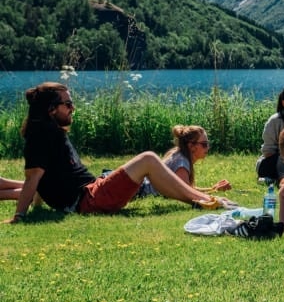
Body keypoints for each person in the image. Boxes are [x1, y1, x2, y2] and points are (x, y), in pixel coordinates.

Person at [4, 82, 229, 224]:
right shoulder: (43, 136)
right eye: (68, 104)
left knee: (148, 161)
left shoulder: (49, 133)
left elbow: (43, 179)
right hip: (89, 200)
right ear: (51, 109)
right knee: (148, 159)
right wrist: (20, 216)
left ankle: (204, 199)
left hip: (92, 193)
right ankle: (203, 201)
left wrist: (38, 206)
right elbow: (34, 178)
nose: (73, 108)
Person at [142, 125, 231, 196]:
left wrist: (212, 189)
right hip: (141, 191)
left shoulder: (179, 154)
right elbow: (187, 193)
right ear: (191, 146)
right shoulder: (182, 163)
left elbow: (188, 188)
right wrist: (214, 191)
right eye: (204, 144)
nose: (208, 147)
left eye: (208, 144)